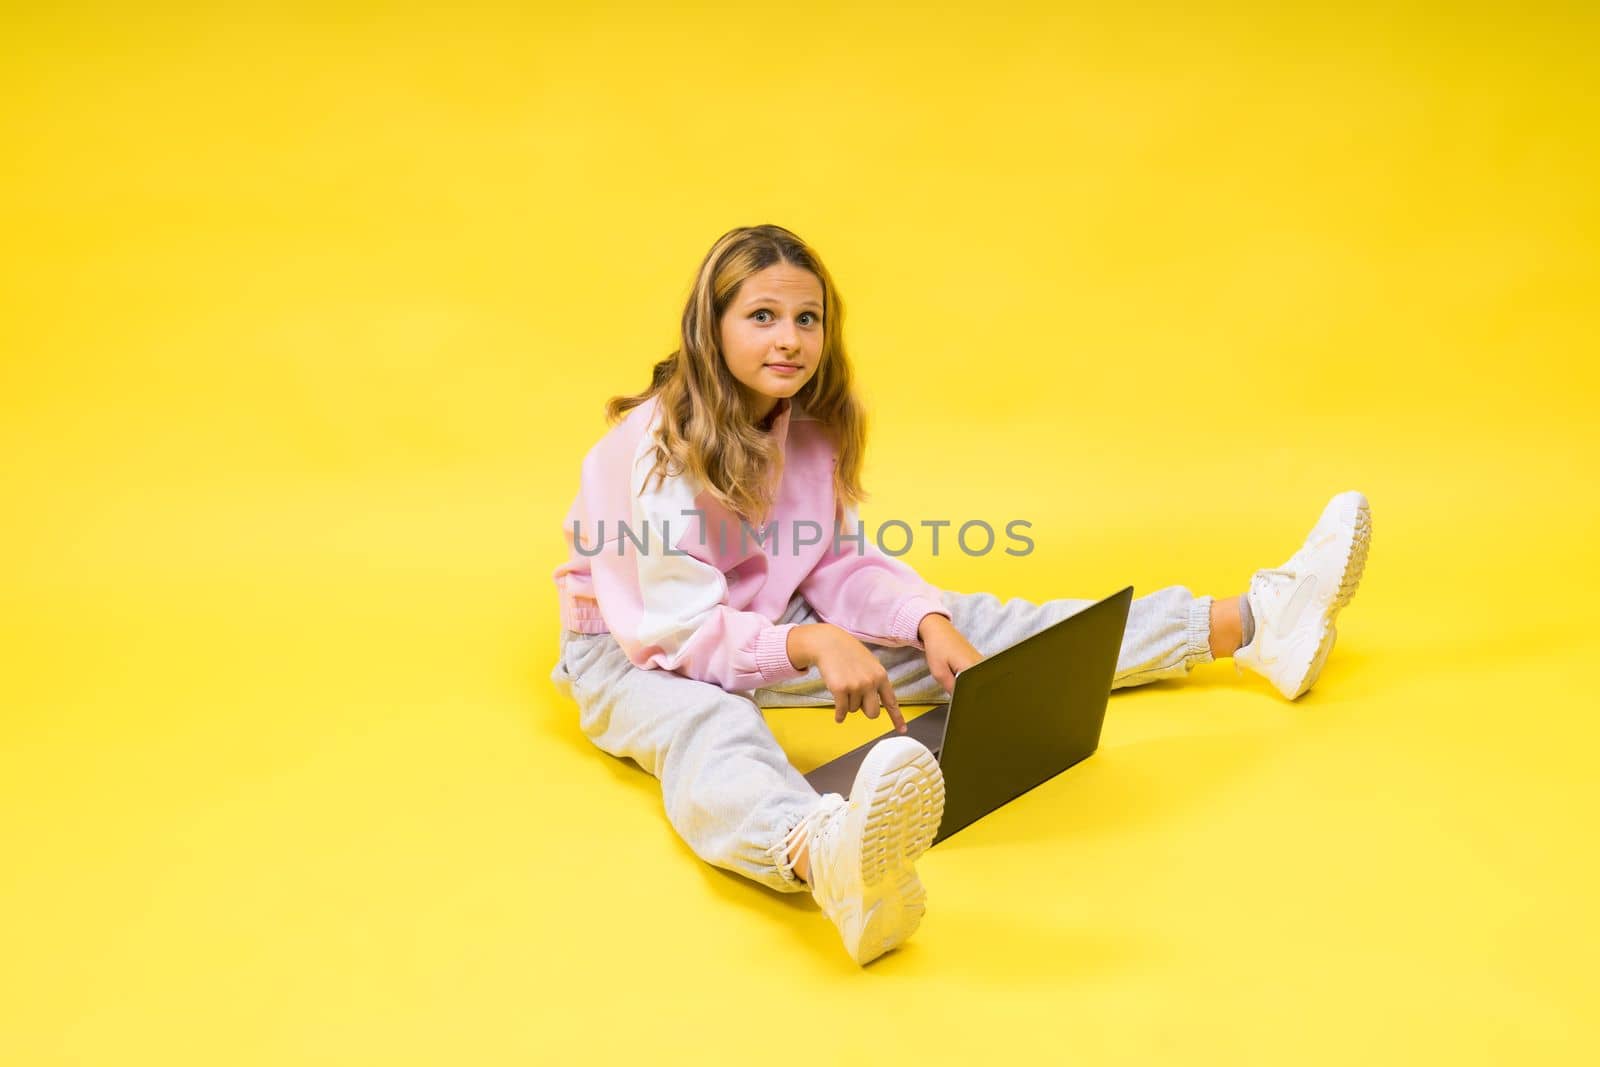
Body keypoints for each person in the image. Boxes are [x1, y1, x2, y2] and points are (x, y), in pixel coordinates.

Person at [550, 224, 1371, 966]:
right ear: (713, 326)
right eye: (761, 316)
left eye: (808, 319)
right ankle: (819, 855)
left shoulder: (811, 426)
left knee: (964, 626)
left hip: (758, 617)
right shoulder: (649, 450)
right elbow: (676, 629)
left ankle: (1249, 624)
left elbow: (831, 561)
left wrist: (925, 620)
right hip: (635, 647)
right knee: (709, 721)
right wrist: (809, 644)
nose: (790, 339)